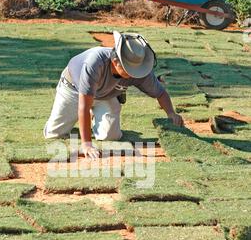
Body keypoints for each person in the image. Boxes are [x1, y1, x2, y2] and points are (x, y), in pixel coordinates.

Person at [44, 31, 184, 159]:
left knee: (110, 137)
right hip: (73, 89)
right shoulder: (94, 63)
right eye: (128, 69)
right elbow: (84, 106)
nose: (133, 73)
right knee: (54, 134)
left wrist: (171, 113)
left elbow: (160, 93)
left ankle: (92, 119)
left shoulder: (139, 70)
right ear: (115, 61)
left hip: (106, 95)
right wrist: (86, 143)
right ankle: (79, 121)